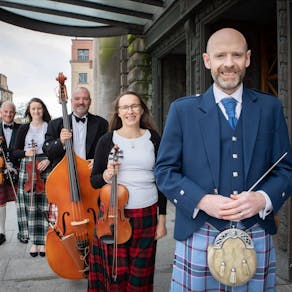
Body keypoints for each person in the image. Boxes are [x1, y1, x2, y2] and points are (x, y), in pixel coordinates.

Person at [154, 27, 292, 291]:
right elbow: (164, 171)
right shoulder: (183, 110)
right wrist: (202, 200)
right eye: (220, 56)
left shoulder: (269, 107)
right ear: (207, 61)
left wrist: (262, 198)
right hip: (199, 231)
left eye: (236, 55)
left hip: (255, 232)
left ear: (248, 58)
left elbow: (285, 169)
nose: (229, 63)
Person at [88, 91, 167, 291]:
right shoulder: (107, 140)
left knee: (141, 274)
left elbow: (162, 180)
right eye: (125, 107)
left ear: (142, 110)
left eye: (134, 106)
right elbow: (94, 181)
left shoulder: (154, 139)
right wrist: (107, 174)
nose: (130, 111)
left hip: (146, 214)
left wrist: (162, 219)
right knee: (115, 274)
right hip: (112, 217)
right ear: (118, 112)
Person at [13, 97, 51, 257]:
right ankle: (34, 242)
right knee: (30, 205)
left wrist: (49, 159)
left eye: (39, 108)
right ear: (29, 111)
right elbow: (14, 151)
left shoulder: (50, 126)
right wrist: (25, 153)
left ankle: (44, 241)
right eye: (33, 108)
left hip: (44, 167)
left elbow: (56, 148)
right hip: (27, 168)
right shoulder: (23, 128)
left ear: (43, 110)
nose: (36, 111)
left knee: (45, 204)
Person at [43, 86, 108, 169]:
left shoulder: (101, 124)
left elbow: (106, 150)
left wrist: (99, 160)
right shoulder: (55, 124)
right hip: (63, 174)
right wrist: (61, 141)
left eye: (85, 99)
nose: (81, 102)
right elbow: (47, 151)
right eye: (77, 99)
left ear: (90, 102)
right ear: (71, 101)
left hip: (90, 172)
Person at [0, 101, 20, 245]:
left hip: (18, 169)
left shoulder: (22, 128)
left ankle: (22, 231)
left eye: (11, 112)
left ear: (15, 113)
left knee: (21, 201)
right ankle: (1, 232)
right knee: (0, 203)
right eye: (5, 111)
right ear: (1, 113)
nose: (8, 114)